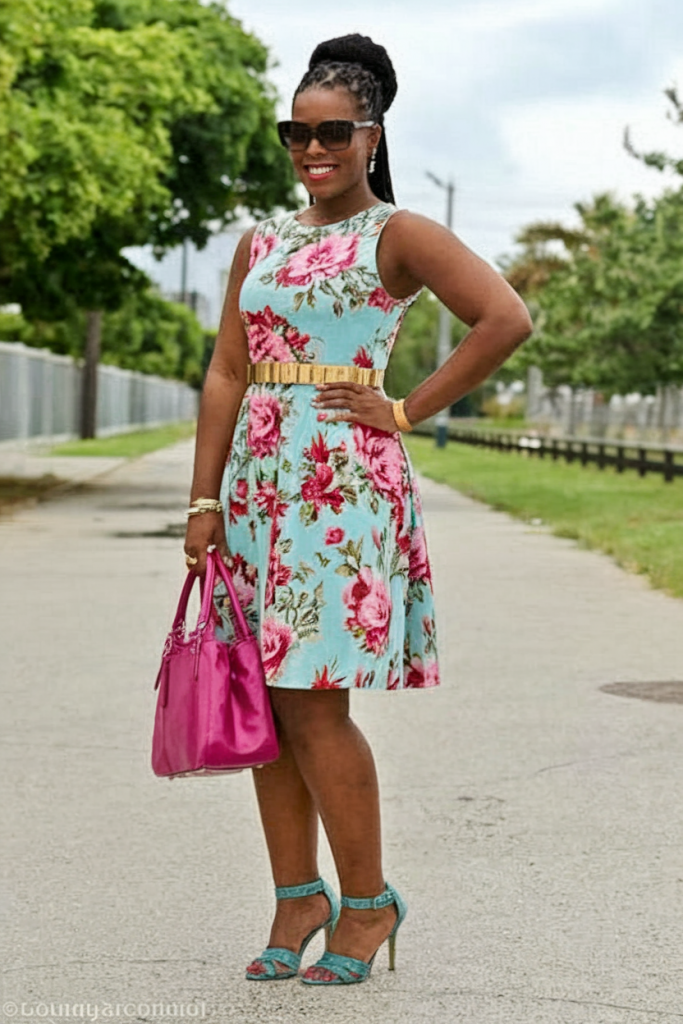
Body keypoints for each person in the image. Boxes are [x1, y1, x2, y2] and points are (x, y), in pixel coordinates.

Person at [183, 32, 532, 986]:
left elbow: (504, 318)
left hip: (338, 489)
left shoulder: (398, 235)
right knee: (264, 700)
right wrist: (204, 498)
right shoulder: (262, 241)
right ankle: (298, 896)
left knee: (312, 702)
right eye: (296, 132)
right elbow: (227, 371)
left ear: (371, 135)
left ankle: (368, 902)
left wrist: (406, 409)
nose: (312, 148)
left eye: (332, 132)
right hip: (254, 487)